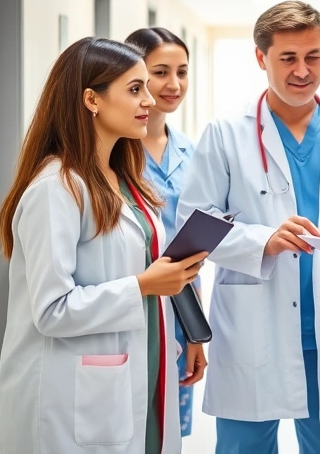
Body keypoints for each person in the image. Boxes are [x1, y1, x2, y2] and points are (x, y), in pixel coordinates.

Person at [0, 37, 208, 454]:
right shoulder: (56, 188)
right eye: (135, 89)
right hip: (71, 396)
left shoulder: (124, 178)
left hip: (135, 371)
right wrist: (144, 286)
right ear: (92, 99)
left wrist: (170, 320)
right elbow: (51, 310)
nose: (150, 100)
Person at [176, 0, 320, 454]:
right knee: (244, 447)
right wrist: (263, 240)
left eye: (313, 56)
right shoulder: (225, 134)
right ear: (261, 58)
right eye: (288, 58)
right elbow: (192, 227)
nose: (302, 70)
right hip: (254, 327)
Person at [125, 27, 206, 439]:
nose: (174, 85)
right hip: (127, 303)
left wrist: (195, 333)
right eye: (160, 72)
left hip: (179, 311)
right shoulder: (113, 153)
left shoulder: (193, 154)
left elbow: (194, 254)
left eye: (182, 71)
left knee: (170, 434)